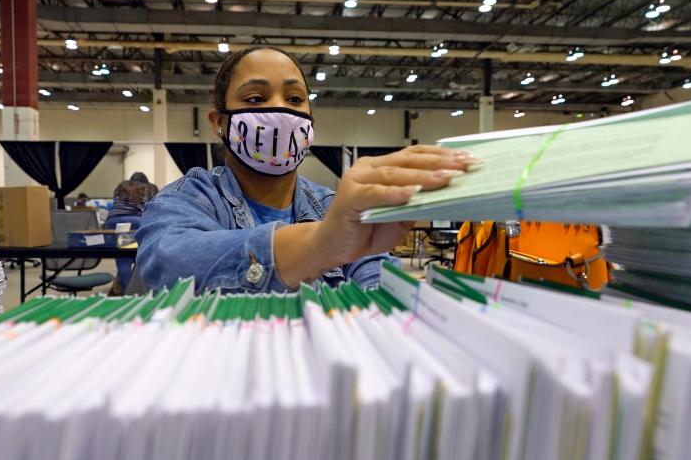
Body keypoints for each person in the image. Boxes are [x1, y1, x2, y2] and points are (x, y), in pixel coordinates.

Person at [136, 46, 478, 293]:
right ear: (219, 122)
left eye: (295, 99)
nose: (280, 111)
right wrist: (322, 241)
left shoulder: (332, 204)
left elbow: (377, 281)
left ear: (310, 121)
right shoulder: (190, 197)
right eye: (255, 99)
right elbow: (167, 262)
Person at [106, 171, 159, 291]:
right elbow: (154, 207)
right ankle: (139, 290)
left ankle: (126, 290)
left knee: (122, 257)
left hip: (114, 221)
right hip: (137, 221)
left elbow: (116, 203)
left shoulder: (121, 186)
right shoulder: (150, 188)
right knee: (142, 255)